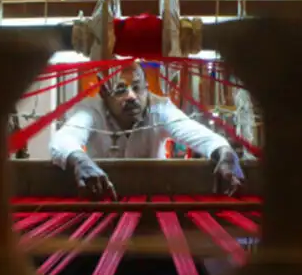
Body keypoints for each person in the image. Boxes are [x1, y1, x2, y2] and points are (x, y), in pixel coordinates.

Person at [49, 62, 244, 200]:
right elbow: (62, 140)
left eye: (137, 88)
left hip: (155, 203)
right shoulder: (90, 110)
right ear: (104, 93)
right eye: (120, 90)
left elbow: (200, 136)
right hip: (103, 202)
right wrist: (80, 161)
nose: (131, 96)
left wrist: (226, 154)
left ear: (147, 88)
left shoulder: (160, 108)